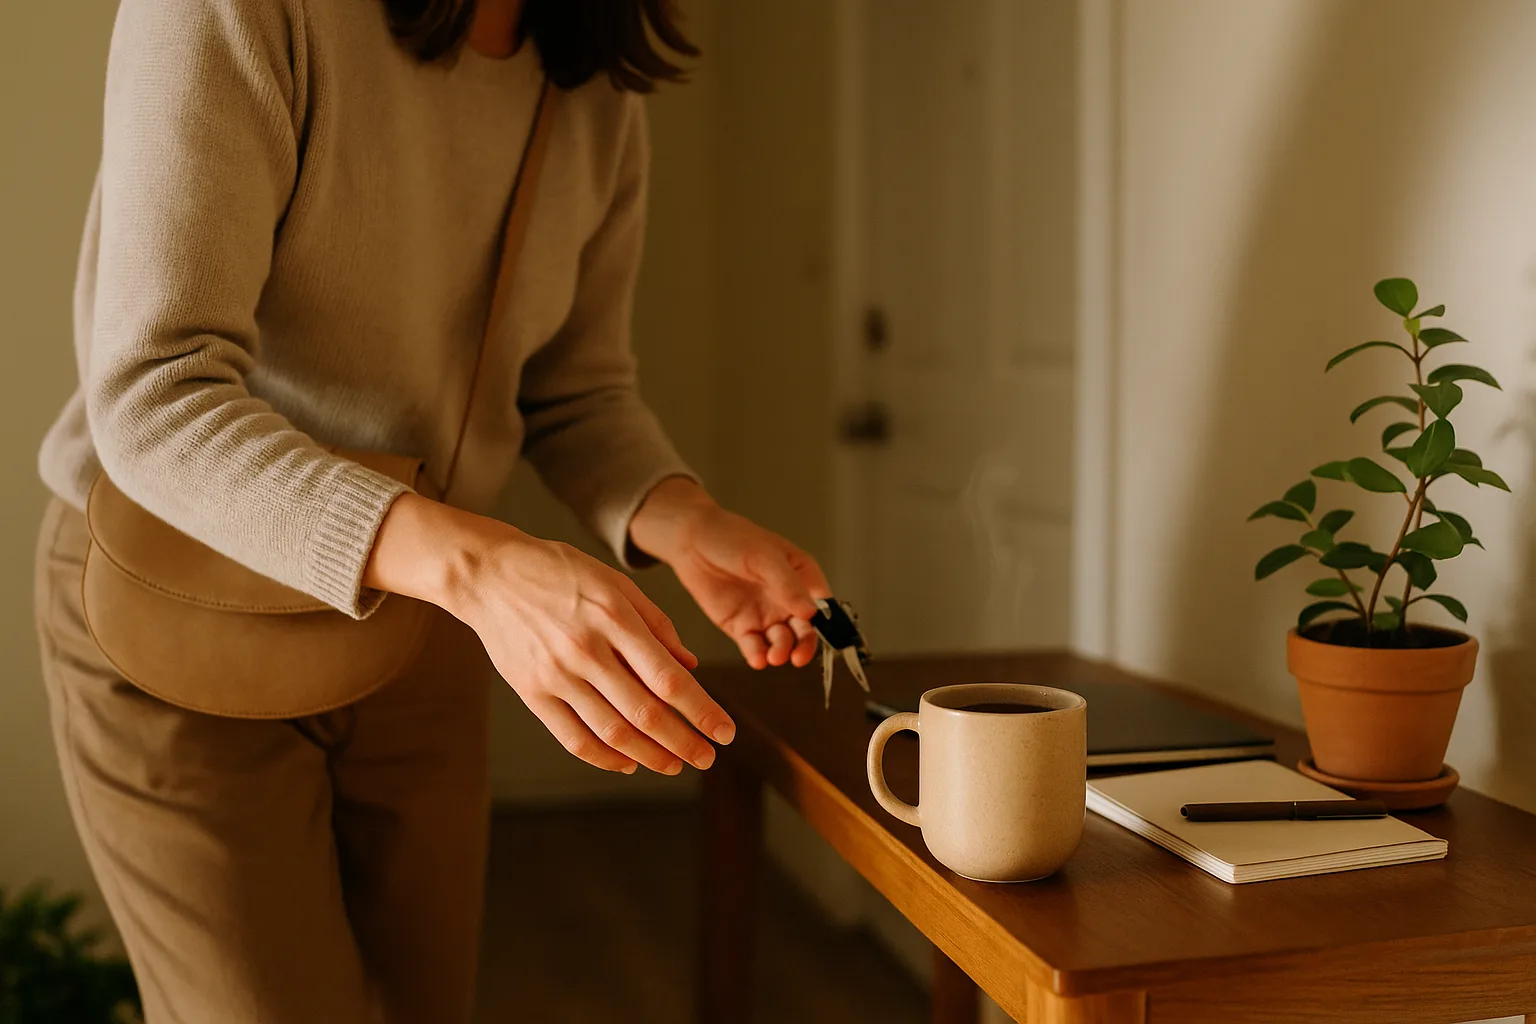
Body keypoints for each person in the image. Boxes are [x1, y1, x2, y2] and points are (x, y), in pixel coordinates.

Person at [32, 0, 830, 1020]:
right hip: (181, 608)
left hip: (422, 617)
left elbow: (576, 388)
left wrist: (679, 516)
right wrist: (483, 569)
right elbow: (155, 394)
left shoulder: (587, 81)